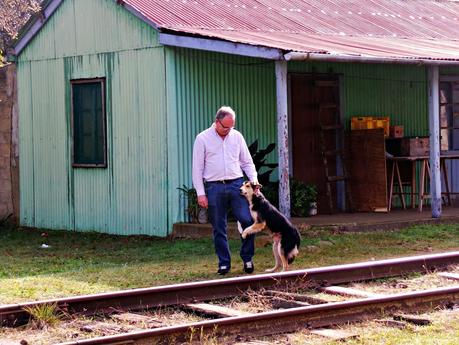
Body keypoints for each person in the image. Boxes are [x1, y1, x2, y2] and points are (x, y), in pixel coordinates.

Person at [192, 106, 258, 275]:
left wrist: (254, 182)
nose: (228, 130)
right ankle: (224, 263)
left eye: (231, 127)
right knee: (219, 227)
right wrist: (201, 193)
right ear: (217, 122)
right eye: (225, 127)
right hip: (214, 186)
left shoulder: (237, 137)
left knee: (248, 221)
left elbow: (247, 163)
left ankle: (247, 258)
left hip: (237, 185)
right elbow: (197, 168)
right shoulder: (202, 139)